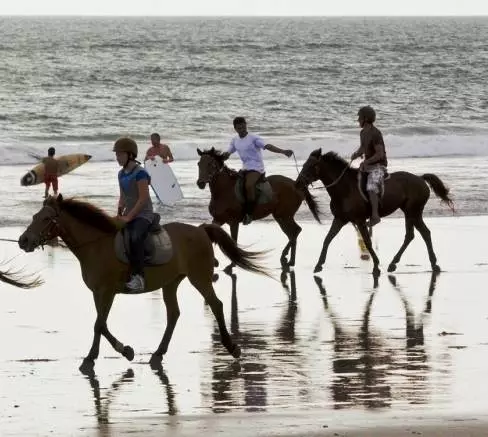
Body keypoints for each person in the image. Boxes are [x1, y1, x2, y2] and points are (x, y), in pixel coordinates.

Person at [221, 117, 294, 225]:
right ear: (235, 128)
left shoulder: (253, 138)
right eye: (239, 127)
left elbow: (268, 146)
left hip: (256, 168)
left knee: (249, 185)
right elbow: (228, 152)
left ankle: (249, 214)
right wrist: (223, 156)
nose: (241, 128)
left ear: (246, 125)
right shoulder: (235, 140)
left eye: (243, 126)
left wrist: (283, 151)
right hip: (244, 168)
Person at [113, 137, 154, 292]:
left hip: (143, 214)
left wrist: (129, 217)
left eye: (119, 154)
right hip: (128, 214)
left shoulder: (141, 173)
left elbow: (143, 199)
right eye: (116, 155)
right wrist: (119, 211)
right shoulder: (121, 174)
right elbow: (123, 196)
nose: (117, 157)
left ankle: (139, 277)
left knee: (135, 236)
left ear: (130, 155)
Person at [350, 105, 388, 227]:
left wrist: (367, 161)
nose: (358, 120)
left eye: (359, 118)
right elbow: (363, 148)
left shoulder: (375, 133)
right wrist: (356, 154)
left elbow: (380, 154)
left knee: (371, 187)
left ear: (366, 118)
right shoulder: (362, 132)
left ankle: (375, 216)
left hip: (378, 166)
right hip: (369, 165)